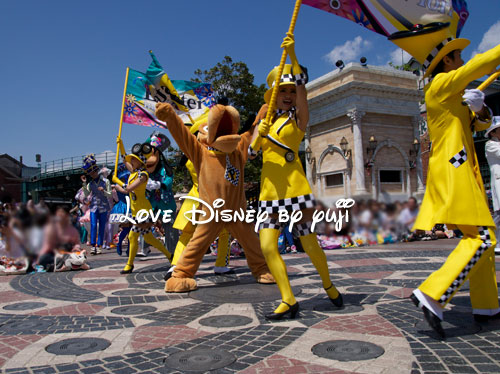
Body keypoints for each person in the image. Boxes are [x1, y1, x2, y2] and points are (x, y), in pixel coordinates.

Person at [389, 23, 500, 338]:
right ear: (446, 61)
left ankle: (487, 306)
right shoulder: (439, 84)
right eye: (458, 56)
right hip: (455, 169)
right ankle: (432, 293)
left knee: (483, 238)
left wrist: (480, 110)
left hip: (464, 170)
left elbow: (479, 125)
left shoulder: (451, 94)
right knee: (483, 239)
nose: (463, 61)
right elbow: (482, 64)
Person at [249, 33, 342, 320]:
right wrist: (257, 137)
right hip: (269, 194)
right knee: (267, 246)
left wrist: (293, 57)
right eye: (283, 90)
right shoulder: (263, 119)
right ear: (273, 94)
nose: (288, 95)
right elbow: (251, 155)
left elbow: (303, 92)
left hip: (295, 190)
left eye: (290, 90)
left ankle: (328, 285)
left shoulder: (298, 117)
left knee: (309, 242)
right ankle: (288, 299)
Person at [113, 140, 173, 274]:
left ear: (140, 162)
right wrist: (121, 145)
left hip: (144, 212)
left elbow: (127, 189)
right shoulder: (133, 172)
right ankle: (169, 255)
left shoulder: (143, 175)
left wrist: (117, 183)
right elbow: (124, 160)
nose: (131, 162)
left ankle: (129, 264)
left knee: (132, 236)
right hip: (136, 211)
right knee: (149, 238)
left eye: (133, 160)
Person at [81, 155, 112, 255]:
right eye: (90, 173)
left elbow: (110, 194)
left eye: (93, 172)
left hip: (103, 206)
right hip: (94, 207)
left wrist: (104, 191)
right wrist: (84, 183)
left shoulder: (105, 181)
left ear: (97, 171)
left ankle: (99, 246)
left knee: (102, 226)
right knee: (93, 225)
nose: (92, 174)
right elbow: (86, 194)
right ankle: (93, 245)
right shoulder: (90, 184)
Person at [485, 116, 500, 254]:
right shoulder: (490, 144)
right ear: (493, 132)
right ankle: (492, 239)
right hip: (499, 180)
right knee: (499, 214)